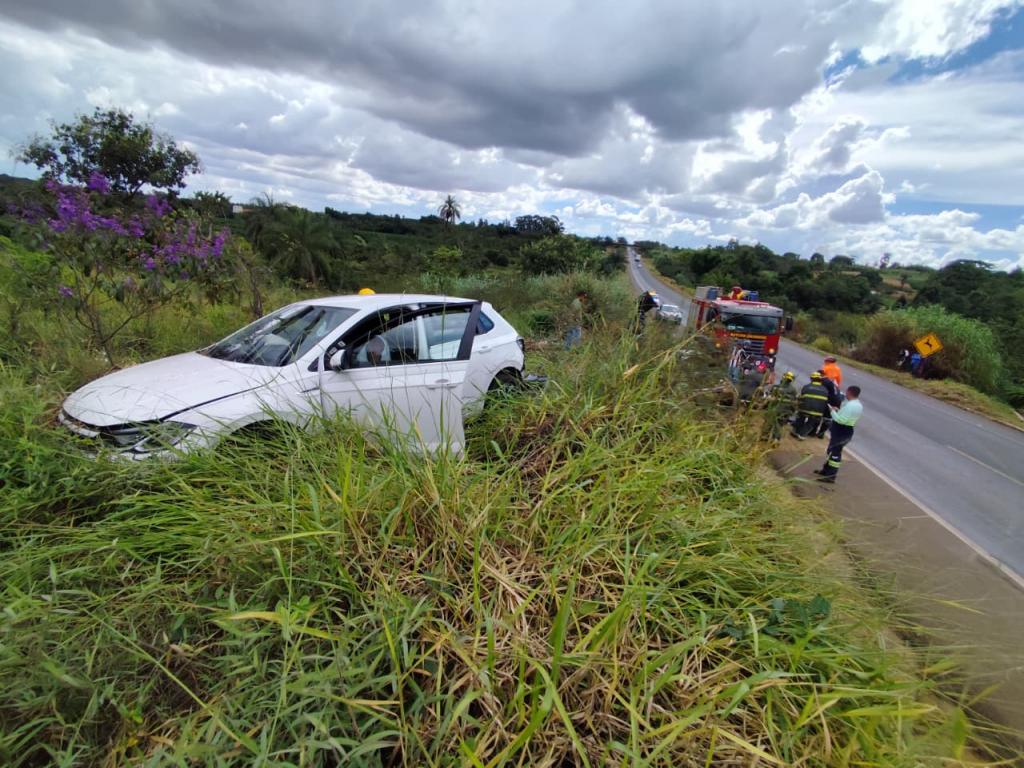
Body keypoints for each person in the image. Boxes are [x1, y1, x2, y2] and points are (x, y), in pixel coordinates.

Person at [815, 385, 863, 482]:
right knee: (832, 451)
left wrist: (832, 412)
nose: (846, 394)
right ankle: (826, 471)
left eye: (847, 392)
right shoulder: (858, 405)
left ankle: (830, 476)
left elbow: (840, 420)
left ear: (849, 392)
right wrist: (838, 410)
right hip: (847, 430)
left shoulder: (850, 405)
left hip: (841, 430)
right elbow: (846, 416)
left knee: (834, 453)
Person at [791, 371, 830, 439]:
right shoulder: (825, 389)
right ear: (820, 380)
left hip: (804, 409)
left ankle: (796, 431)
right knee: (811, 422)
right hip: (818, 411)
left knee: (801, 417)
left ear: (812, 379)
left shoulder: (806, 387)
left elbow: (801, 398)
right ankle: (802, 434)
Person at [763, 370, 798, 442]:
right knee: (779, 425)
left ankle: (764, 436)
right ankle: (776, 439)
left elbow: (769, 399)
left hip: (773, 409)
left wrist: (765, 407)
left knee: (769, 423)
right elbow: (793, 403)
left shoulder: (776, 387)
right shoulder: (793, 390)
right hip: (785, 411)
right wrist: (791, 412)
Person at [814, 369, 843, 438]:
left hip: (830, 401)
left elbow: (821, 393)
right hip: (838, 401)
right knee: (828, 417)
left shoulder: (823, 382)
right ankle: (821, 434)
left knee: (819, 415)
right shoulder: (830, 381)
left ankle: (814, 432)